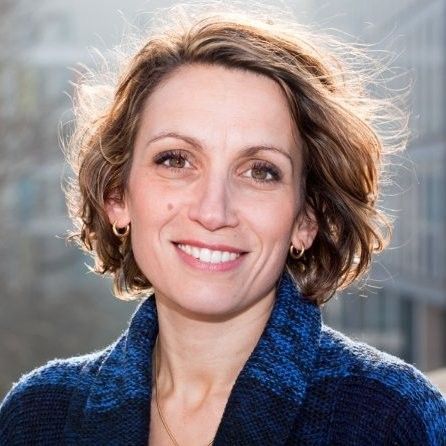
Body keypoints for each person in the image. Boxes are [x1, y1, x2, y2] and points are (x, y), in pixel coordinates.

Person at [1, 3, 445, 445]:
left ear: (307, 218)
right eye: (175, 160)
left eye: (260, 171)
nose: (213, 211)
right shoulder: (36, 415)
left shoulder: (391, 418)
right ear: (118, 197)